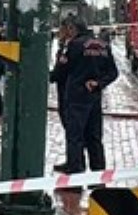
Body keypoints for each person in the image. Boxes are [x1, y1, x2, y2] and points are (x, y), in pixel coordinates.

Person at [51, 17, 119, 174]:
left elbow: (60, 72)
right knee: (94, 137)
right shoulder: (103, 45)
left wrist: (51, 71)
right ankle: (98, 175)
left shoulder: (74, 45)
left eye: (64, 30)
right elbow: (113, 73)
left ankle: (75, 173)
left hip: (75, 97)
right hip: (94, 97)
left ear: (71, 29)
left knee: (75, 136)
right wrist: (98, 83)